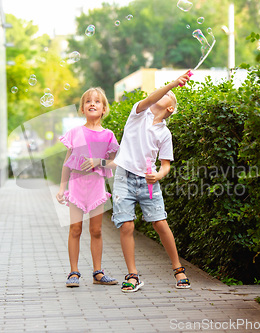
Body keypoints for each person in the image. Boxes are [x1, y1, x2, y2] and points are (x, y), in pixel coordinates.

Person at [112, 71, 192, 292]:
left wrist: (159, 175)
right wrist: (173, 83)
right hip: (124, 177)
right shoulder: (139, 113)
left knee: (160, 223)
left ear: (170, 109)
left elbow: (166, 164)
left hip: (149, 182)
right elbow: (151, 99)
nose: (159, 95)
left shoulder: (165, 134)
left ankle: (178, 269)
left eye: (169, 95)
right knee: (127, 224)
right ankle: (133, 275)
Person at [56, 87, 119, 288]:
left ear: (104, 109)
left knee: (97, 230)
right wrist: (61, 188)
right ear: (82, 109)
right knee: (75, 229)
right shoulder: (75, 133)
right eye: (88, 101)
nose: (92, 104)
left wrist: (97, 161)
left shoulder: (108, 135)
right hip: (76, 186)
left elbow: (113, 163)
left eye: (97, 101)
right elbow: (67, 162)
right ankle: (74, 272)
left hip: (96, 188)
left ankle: (97, 272)